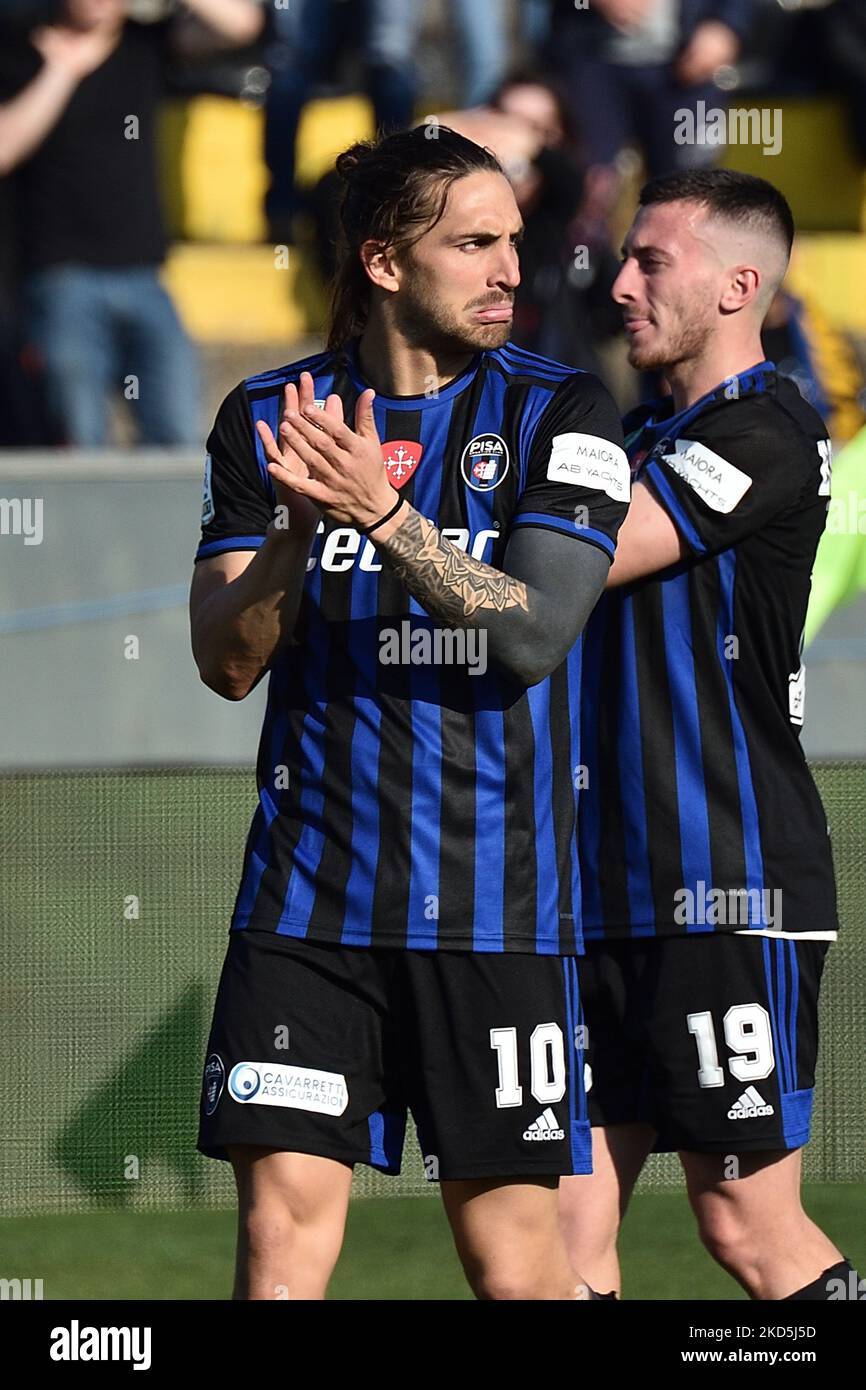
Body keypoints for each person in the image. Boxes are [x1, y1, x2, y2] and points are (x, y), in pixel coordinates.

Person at [190, 124, 630, 1300]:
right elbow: (227, 663)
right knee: (278, 1255)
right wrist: (293, 534)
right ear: (385, 262)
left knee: (517, 1270)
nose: (507, 270)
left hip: (498, 918)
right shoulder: (271, 415)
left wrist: (381, 517)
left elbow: (534, 631)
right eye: (474, 243)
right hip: (306, 911)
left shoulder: (565, 413)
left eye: (513, 242)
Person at [559, 168, 862, 1301]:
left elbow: (599, 550)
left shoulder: (772, 424)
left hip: (725, 882)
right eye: (623, 258)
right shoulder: (630, 432)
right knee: (550, 1237)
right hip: (592, 893)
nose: (620, 283)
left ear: (739, 285)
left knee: (742, 1224)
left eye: (652, 262)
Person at [0, 0, 263, 447]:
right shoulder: (23, 48)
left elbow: (242, 24)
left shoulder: (144, 44)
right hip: (60, 279)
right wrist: (61, 73)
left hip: (146, 277)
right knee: (77, 440)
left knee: (179, 438)